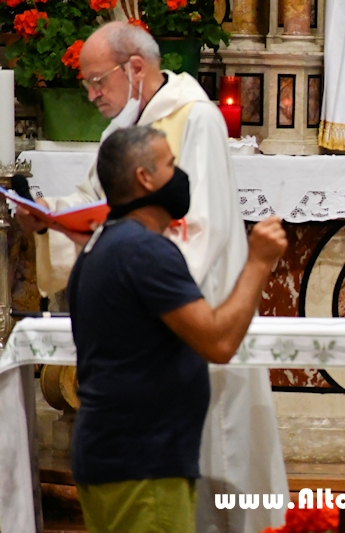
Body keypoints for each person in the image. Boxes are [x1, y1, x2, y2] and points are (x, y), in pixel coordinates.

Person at [16, 22, 289, 531]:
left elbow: (202, 223)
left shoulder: (197, 117)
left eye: (98, 81)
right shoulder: (123, 131)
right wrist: (50, 216)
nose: (92, 94)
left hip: (192, 313)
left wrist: (148, 284)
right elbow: (98, 206)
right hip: (148, 336)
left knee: (212, 465)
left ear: (134, 69)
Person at [69, 126, 287, 533]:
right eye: (170, 164)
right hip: (142, 462)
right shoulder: (144, 250)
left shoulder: (102, 245)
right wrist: (258, 262)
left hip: (111, 454)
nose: (180, 174)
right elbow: (219, 343)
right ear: (144, 178)